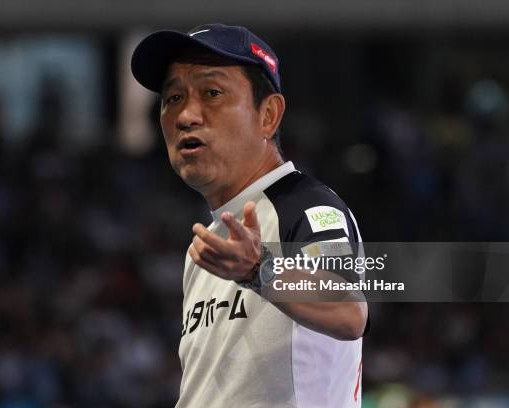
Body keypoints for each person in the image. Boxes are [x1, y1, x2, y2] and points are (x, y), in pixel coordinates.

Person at [131, 23, 368, 408]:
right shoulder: (211, 245)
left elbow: (347, 309)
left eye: (212, 92)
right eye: (173, 97)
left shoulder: (307, 206)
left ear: (268, 115)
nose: (186, 115)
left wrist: (259, 270)